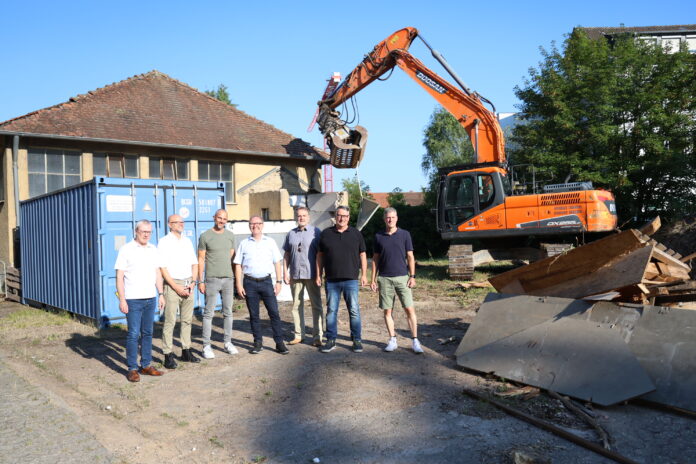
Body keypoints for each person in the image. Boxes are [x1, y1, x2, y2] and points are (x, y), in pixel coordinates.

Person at [115, 219, 166, 382]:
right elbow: (119, 276)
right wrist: (122, 299)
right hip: (133, 299)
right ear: (136, 231)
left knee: (148, 332)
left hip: (150, 298)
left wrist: (161, 294)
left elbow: (157, 273)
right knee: (133, 334)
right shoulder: (126, 249)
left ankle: (145, 365)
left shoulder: (153, 249)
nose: (146, 235)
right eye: (143, 231)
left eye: (149, 232)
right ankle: (132, 368)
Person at [370, 207, 423, 354]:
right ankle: (392, 339)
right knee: (387, 311)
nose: (390, 220)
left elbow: (410, 256)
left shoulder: (405, 234)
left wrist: (412, 276)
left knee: (409, 309)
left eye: (392, 217)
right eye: (387, 218)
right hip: (384, 278)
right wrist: (373, 279)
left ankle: (415, 340)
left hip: (402, 277)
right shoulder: (378, 236)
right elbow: (375, 259)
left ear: (397, 218)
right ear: (384, 219)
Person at [316, 205, 367, 353]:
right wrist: (318, 275)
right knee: (331, 310)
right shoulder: (326, 234)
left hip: (351, 279)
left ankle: (356, 339)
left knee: (354, 310)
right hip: (331, 280)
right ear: (335, 217)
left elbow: (363, 255)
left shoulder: (356, 234)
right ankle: (331, 339)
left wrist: (363, 275)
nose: (342, 218)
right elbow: (319, 256)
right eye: (339, 215)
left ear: (349, 218)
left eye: (345, 216)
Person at [234, 216, 289, 355]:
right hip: (249, 283)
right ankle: (257, 342)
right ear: (249, 226)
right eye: (252, 224)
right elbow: (238, 265)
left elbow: (277, 262)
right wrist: (239, 284)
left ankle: (279, 343)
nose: (255, 226)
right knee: (254, 315)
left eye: (258, 223)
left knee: (274, 313)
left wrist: (279, 281)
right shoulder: (244, 243)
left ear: (262, 225)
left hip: (266, 282)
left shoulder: (270, 242)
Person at [158, 214, 200, 369]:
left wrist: (194, 282)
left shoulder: (187, 241)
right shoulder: (164, 242)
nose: (182, 224)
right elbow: (162, 268)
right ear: (170, 224)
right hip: (172, 285)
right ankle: (167, 354)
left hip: (188, 283)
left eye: (183, 221)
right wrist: (175, 287)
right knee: (170, 321)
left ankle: (186, 350)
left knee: (187, 320)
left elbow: (194, 263)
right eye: (178, 222)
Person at [197, 209, 237, 359]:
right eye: (219, 218)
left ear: (227, 220)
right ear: (214, 218)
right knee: (208, 314)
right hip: (212, 279)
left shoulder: (230, 236)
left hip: (228, 279)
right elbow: (201, 259)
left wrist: (236, 279)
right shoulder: (205, 236)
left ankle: (227, 342)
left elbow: (232, 258)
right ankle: (206, 346)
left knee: (228, 312)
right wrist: (200, 280)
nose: (221, 221)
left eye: (224, 219)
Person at [282, 206, 324, 347]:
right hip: (295, 274)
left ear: (309, 217)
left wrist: (319, 274)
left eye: (304, 215)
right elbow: (287, 254)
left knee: (316, 305)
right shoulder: (291, 234)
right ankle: (299, 335)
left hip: (312, 274)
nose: (301, 218)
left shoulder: (316, 232)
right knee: (296, 305)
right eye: (299, 215)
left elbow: (320, 255)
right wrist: (285, 272)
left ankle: (318, 336)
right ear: (296, 217)